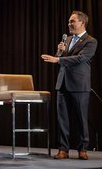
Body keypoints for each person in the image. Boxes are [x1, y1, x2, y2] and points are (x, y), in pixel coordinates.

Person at [41, 11, 97, 160]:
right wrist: (59, 53)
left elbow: (80, 59)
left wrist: (57, 60)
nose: (69, 24)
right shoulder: (68, 39)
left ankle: (83, 149)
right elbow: (60, 59)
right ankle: (63, 149)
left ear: (82, 23)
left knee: (81, 118)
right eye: (69, 22)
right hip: (63, 83)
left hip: (79, 85)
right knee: (62, 119)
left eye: (72, 21)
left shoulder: (90, 41)